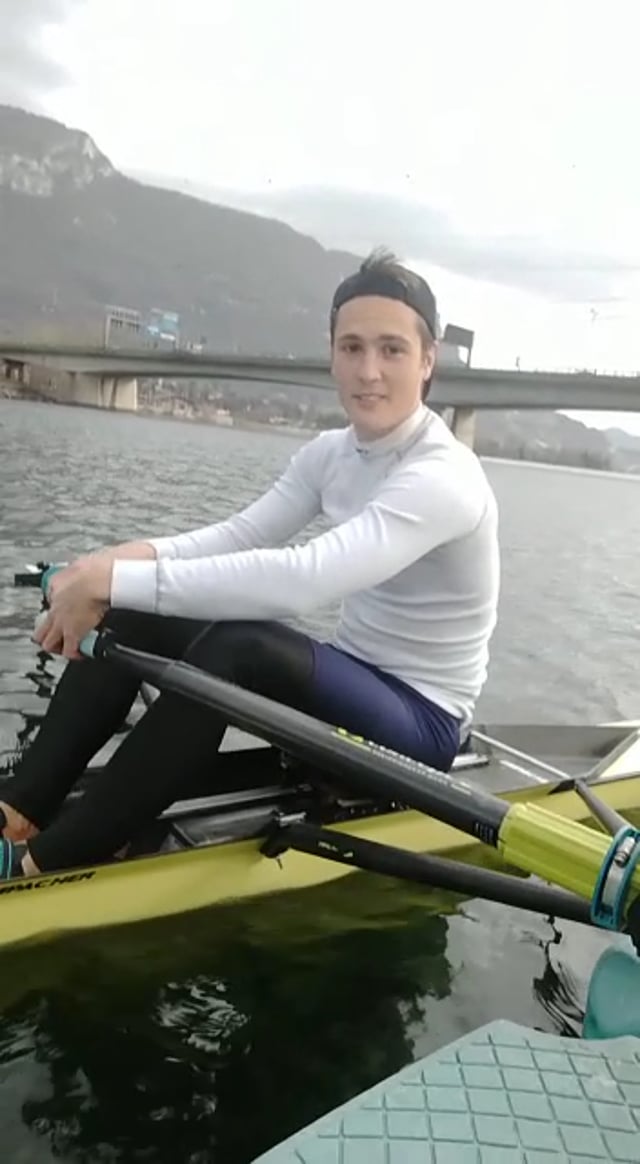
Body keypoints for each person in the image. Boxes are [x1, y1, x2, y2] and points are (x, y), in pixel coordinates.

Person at [0, 247, 500, 879]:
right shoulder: (331, 454)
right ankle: (20, 810)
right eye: (351, 347)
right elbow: (236, 537)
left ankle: (48, 863)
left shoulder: (445, 476)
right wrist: (100, 571)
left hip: (423, 726)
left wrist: (111, 578)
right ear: (332, 355)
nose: (368, 370)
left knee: (241, 647)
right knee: (133, 610)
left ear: (427, 361)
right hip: (357, 682)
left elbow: (304, 579)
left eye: (391, 350)